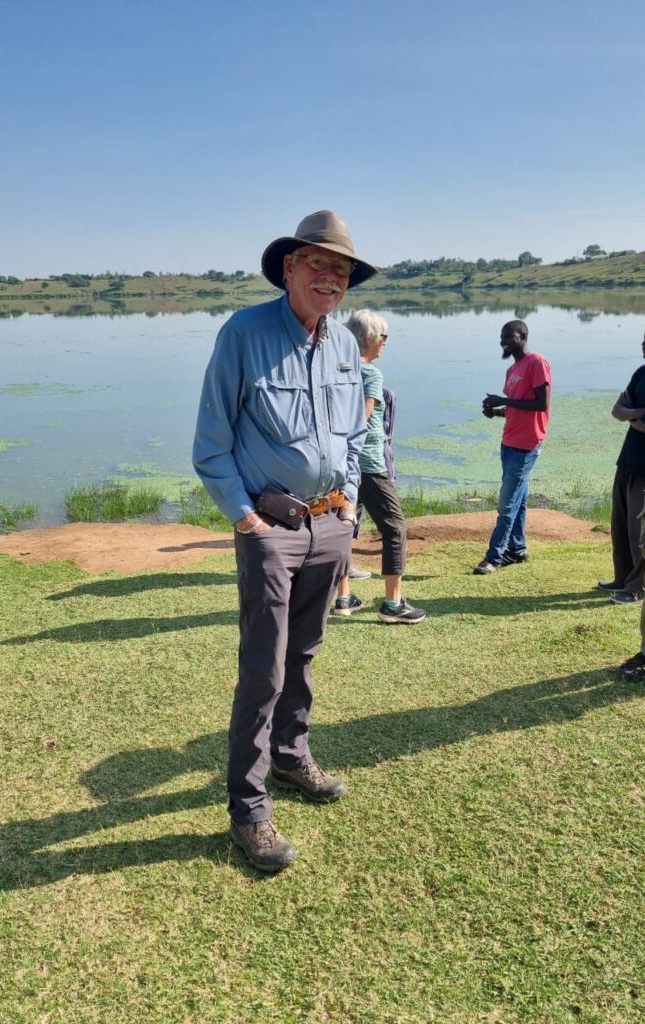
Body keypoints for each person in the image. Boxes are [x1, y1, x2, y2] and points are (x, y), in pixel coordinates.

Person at [192, 211, 376, 871]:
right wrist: (247, 521)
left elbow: (355, 435)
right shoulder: (243, 333)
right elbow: (211, 445)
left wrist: (350, 507)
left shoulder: (346, 345)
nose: (330, 277)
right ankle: (249, 810)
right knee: (263, 669)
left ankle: (293, 758)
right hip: (271, 530)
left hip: (330, 525)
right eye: (317, 264)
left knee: (306, 652)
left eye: (341, 269)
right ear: (290, 268)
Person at [333, 310, 426, 624]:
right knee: (395, 527)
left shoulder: (336, 367)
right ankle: (393, 603)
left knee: (344, 526)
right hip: (368, 464)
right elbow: (361, 418)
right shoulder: (370, 373)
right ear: (368, 338)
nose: (385, 342)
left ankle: (343, 598)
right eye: (383, 336)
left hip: (340, 462)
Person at [474, 320, 551, 574]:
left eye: (509, 336)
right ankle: (517, 550)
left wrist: (503, 399)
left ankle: (494, 557)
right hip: (509, 442)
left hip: (527, 445)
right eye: (501, 336)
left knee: (506, 504)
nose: (503, 341)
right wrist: (496, 412)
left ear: (524, 336)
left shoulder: (537, 363)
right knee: (518, 499)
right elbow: (517, 407)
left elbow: (540, 403)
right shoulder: (513, 370)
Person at [598, 329, 645, 605]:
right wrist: (638, 414)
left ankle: (638, 588)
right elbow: (617, 410)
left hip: (644, 470)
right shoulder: (641, 373)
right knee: (619, 524)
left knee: (638, 530)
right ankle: (622, 578)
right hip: (627, 460)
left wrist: (633, 416)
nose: (642, 344)